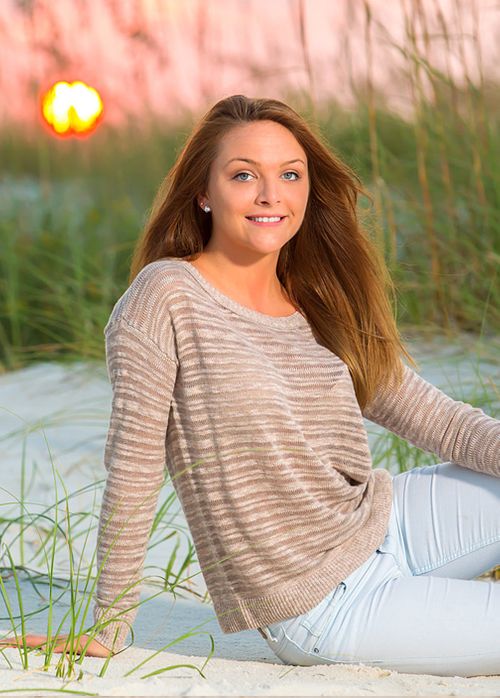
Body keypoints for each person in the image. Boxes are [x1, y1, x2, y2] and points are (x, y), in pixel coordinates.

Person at [2, 94, 499, 675]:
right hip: (323, 605)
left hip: (389, 523)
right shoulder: (166, 296)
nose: (272, 195)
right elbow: (134, 466)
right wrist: (109, 625)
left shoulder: (318, 298)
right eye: (244, 176)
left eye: (290, 174)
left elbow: (443, 423)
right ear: (204, 193)